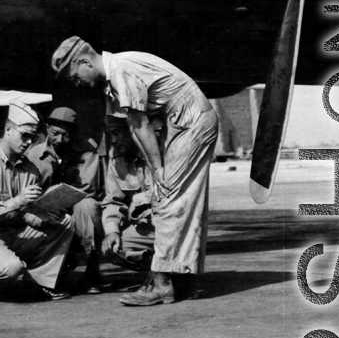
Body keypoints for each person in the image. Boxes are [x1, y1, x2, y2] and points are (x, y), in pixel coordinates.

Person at [51, 37, 219, 307]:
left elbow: (140, 124)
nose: (76, 83)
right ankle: (184, 280)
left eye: (74, 76)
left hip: (190, 122)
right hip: (182, 122)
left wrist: (158, 169)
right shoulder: (116, 76)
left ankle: (162, 284)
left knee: (167, 199)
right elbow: (133, 125)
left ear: (85, 61)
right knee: (181, 202)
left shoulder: (120, 70)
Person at [0, 102, 74, 302]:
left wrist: (42, 217)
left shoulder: (29, 168)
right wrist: (18, 201)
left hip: (16, 231)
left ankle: (38, 282)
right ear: (8, 130)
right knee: (10, 269)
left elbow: (28, 211)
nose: (28, 142)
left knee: (64, 222)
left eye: (32, 137)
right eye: (24, 135)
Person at [27, 107, 104, 293]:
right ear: (47, 129)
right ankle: (51, 267)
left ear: (75, 133)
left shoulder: (88, 148)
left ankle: (92, 270)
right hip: (47, 210)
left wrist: (61, 200)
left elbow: (89, 187)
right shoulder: (34, 153)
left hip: (76, 205)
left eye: (66, 135)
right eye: (55, 133)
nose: (60, 140)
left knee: (88, 206)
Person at [101, 113, 155, 272]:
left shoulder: (159, 152)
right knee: (112, 247)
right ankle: (155, 273)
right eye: (110, 134)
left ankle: (173, 275)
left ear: (133, 131)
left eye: (117, 133)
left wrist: (140, 201)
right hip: (146, 228)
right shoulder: (115, 157)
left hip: (170, 224)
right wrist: (112, 232)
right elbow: (113, 201)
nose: (113, 140)